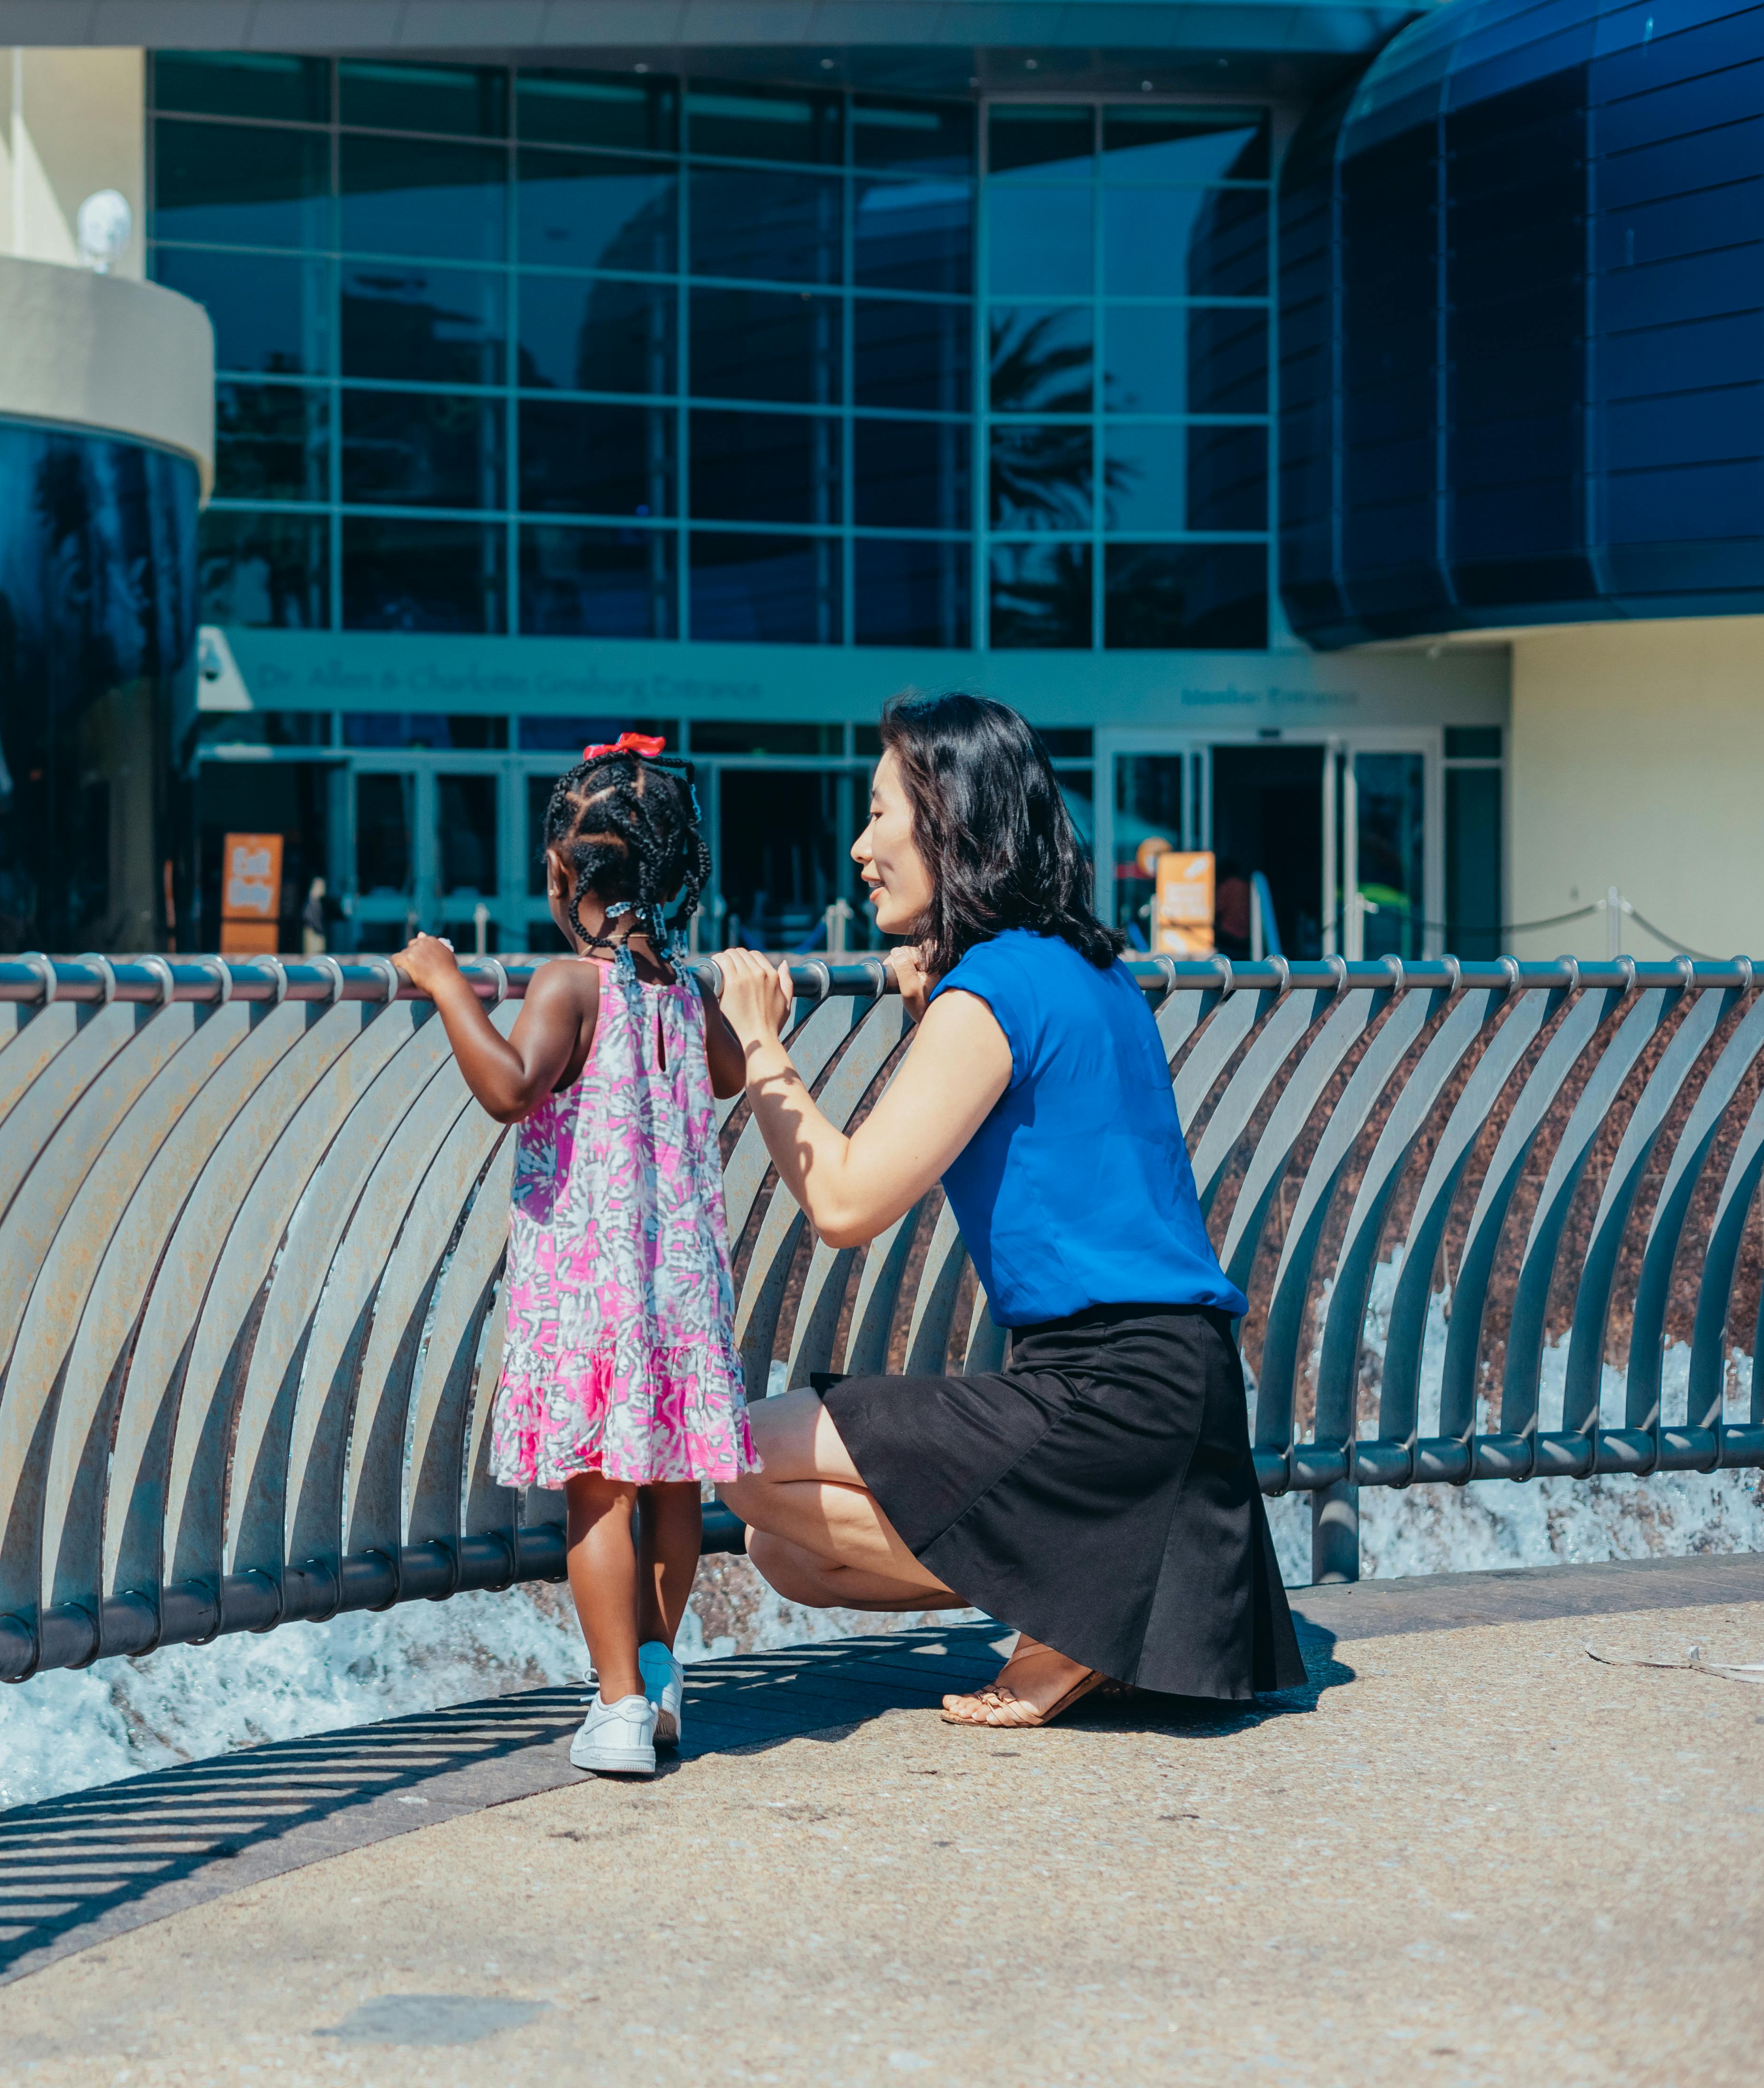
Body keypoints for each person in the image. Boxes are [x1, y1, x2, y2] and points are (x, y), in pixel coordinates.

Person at [710, 694, 1304, 1729]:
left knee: (743, 1452)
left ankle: (1076, 1621)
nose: (860, 846)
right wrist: (933, 989)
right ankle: (1095, 1606)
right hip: (1180, 1391)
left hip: (1108, 1388)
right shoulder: (1090, 969)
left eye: (880, 813)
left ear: (949, 818)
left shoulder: (988, 994)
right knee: (786, 1554)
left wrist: (760, 1040)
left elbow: (846, 1202)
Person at [391, 735, 757, 1776]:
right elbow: (729, 1071)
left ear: (563, 872)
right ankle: (658, 1663)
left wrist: (444, 979)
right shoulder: (682, 991)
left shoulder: (568, 984)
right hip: (680, 1285)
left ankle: (618, 1704)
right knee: (676, 1486)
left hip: (594, 1289)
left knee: (600, 1491)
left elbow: (512, 1088)